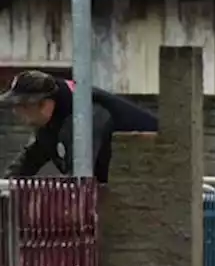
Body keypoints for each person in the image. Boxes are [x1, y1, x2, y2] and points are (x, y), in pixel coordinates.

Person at [2, 70, 158, 184]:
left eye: (22, 106)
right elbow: (29, 160)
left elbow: (79, 180)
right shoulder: (53, 120)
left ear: (45, 104)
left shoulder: (84, 117)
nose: (16, 112)